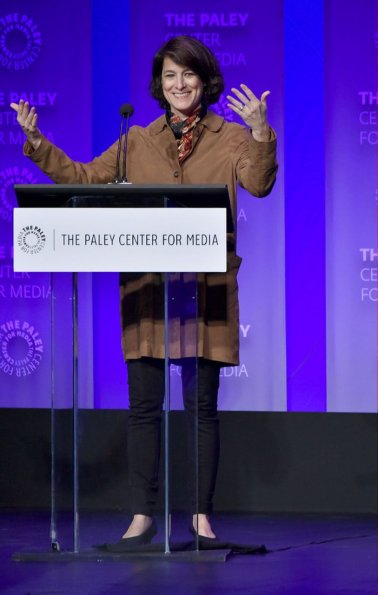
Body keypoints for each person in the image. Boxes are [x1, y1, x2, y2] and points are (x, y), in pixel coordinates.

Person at [11, 35, 277, 547]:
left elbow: (259, 184)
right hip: (149, 286)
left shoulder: (233, 137)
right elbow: (86, 178)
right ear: (160, 84)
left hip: (206, 286)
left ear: (205, 81)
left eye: (188, 75)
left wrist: (262, 132)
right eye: (170, 76)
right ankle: (142, 518)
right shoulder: (136, 140)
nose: (179, 85)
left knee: (201, 407)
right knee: (144, 406)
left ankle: (200, 521)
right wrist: (38, 142)